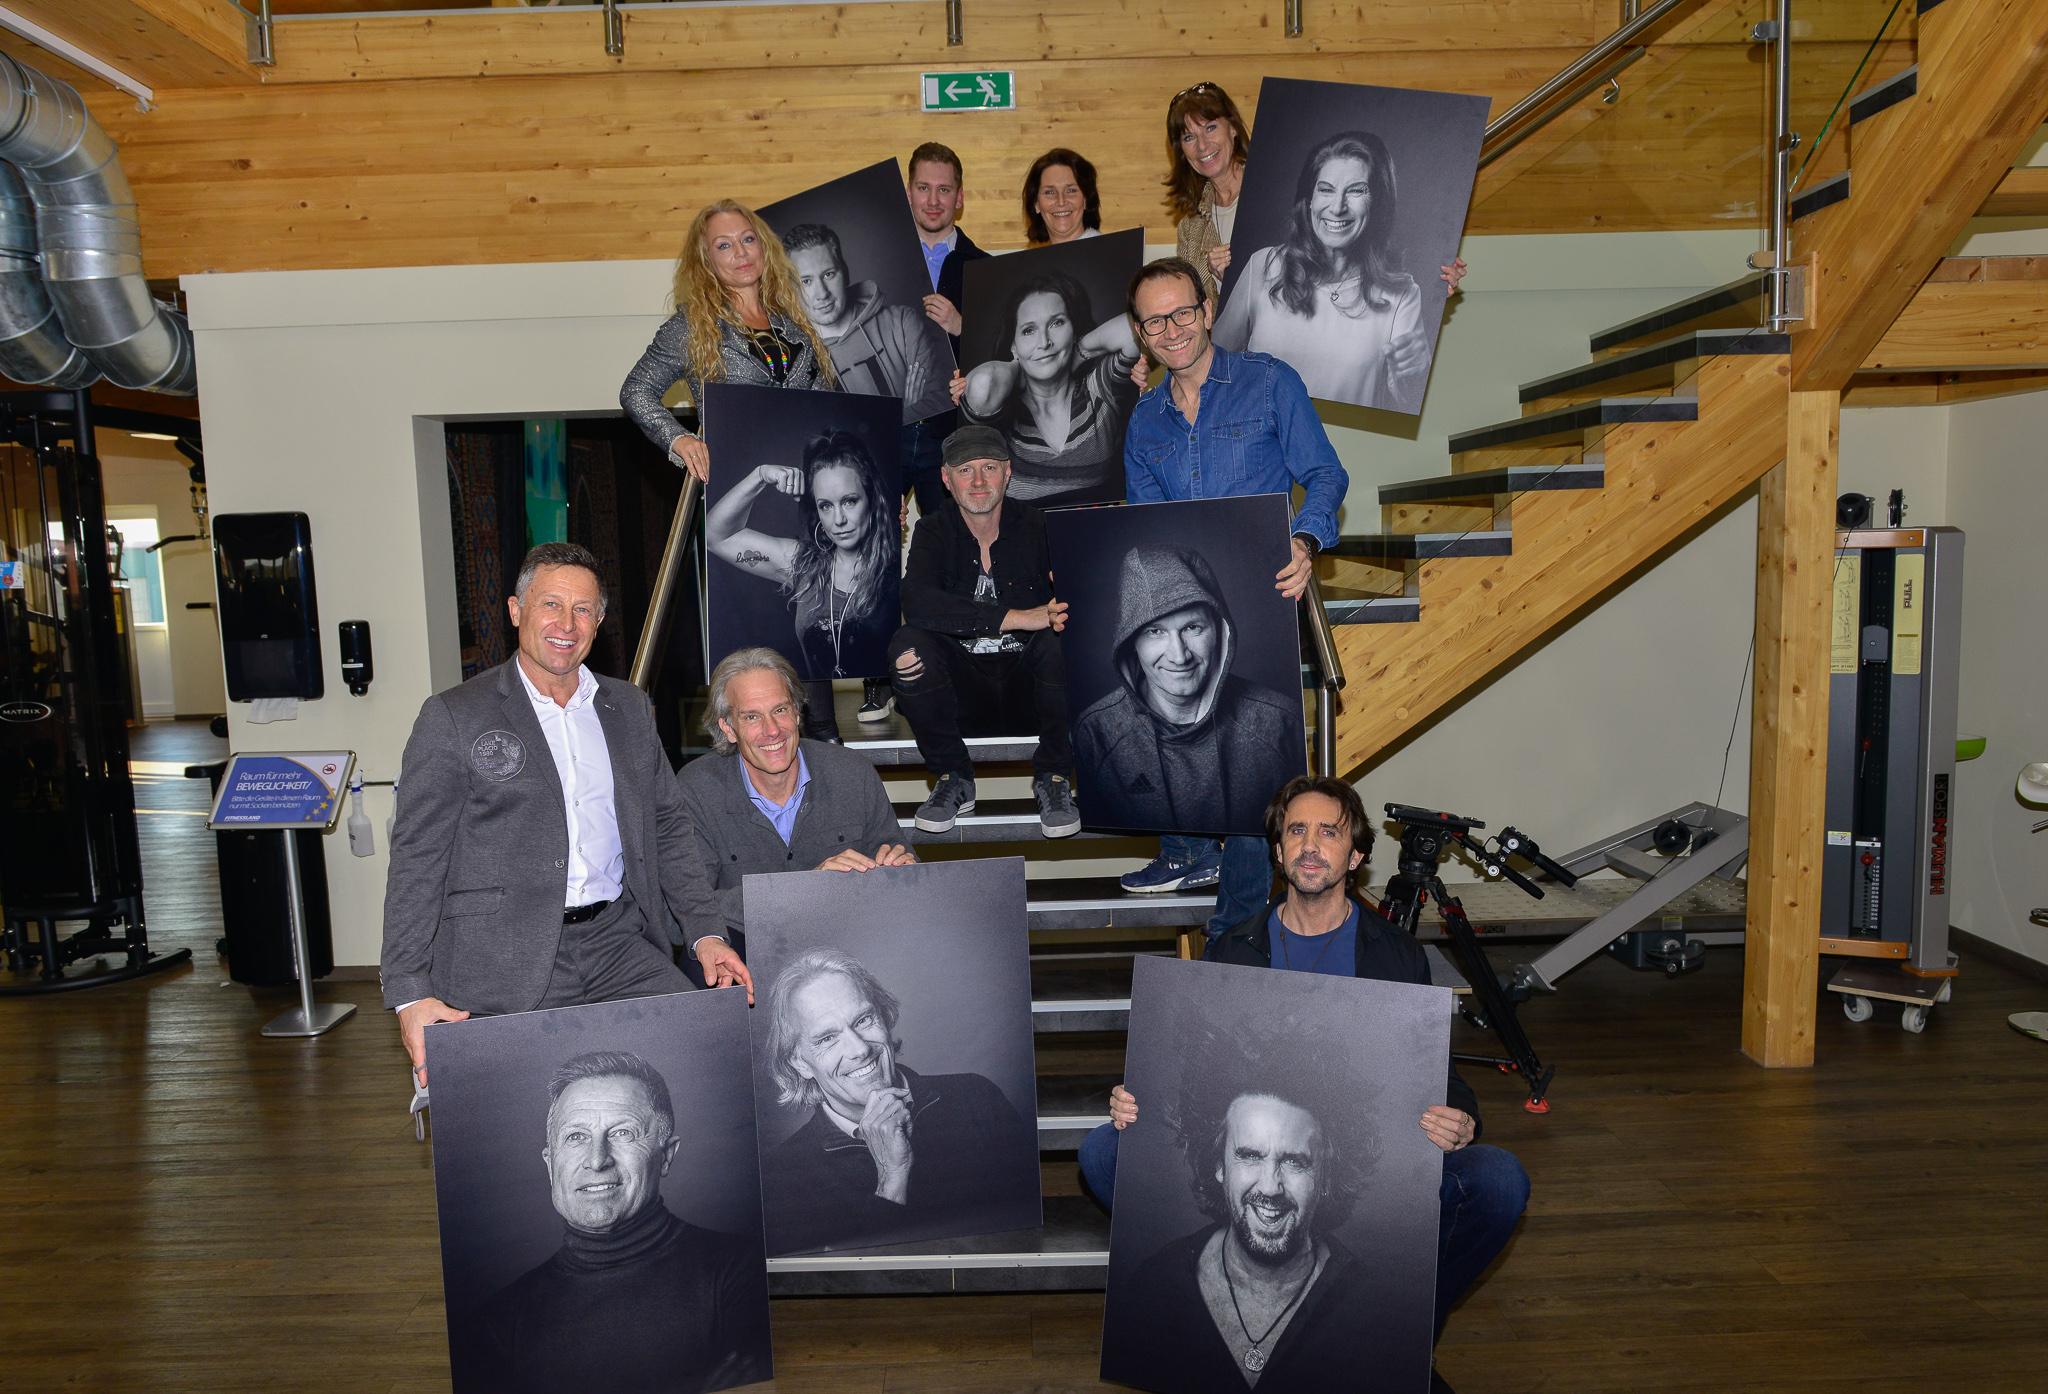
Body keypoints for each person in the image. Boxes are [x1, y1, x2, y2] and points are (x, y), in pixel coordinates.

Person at [1082, 776, 1531, 1394]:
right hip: (1261, 1159)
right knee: (1102, 1152)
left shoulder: (1395, 953)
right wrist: (1137, 1098)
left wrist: (1461, 1118)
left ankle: (1388, 1339)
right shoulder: (1233, 949)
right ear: (1278, 851)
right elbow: (1194, 1073)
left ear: (1356, 855)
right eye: (1296, 831)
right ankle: (1284, 1347)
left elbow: (1443, 1076)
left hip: (1366, 1169)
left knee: (1498, 1179)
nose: (1311, 845)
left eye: (1330, 832)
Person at [379, 544, 751, 1086]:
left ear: (598, 623)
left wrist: (705, 933)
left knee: (699, 1065)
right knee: (523, 1114)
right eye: (551, 604)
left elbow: (668, 828)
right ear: (516, 611)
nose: (567, 624)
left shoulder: (628, 708)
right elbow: (417, 858)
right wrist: (409, 991)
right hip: (501, 956)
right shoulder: (454, 716)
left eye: (583, 610)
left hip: (616, 943)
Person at [1116, 255, 1344, 928]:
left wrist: (1305, 540)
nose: (1172, 330)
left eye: (1183, 313)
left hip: (1268, 598)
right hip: (1189, 610)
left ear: (1208, 311)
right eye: (1155, 321)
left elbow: (1325, 475)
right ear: (1140, 333)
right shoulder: (1144, 421)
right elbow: (1146, 528)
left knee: (1254, 755)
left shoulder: (1269, 383)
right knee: (1158, 707)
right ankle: (1186, 848)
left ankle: (1236, 928)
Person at [618, 198, 847, 743]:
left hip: (804, 495)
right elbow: (636, 391)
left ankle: (823, 744)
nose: (740, 253)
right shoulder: (690, 327)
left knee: (815, 621)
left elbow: (830, 404)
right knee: (759, 634)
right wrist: (678, 439)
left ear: (763, 247)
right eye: (724, 245)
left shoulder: (796, 322)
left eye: (747, 239)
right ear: (707, 259)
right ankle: (755, 746)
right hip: (743, 497)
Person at [461, 1051, 770, 1394]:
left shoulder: (742, 1271)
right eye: (576, 1137)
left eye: (623, 1132)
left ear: (666, 1156)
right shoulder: (498, 1323)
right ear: (550, 1164)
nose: (597, 1160)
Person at [1102, 1064, 1399, 1394]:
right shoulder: (1157, 1285)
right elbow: (1096, 1158)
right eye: (1250, 1156)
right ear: (1219, 1165)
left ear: (1324, 1177)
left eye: (1294, 1161)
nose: (1270, 1187)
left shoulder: (1372, 1308)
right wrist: (1121, 1122)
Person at [758, 948, 1038, 1255]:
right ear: (800, 1062)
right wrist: (892, 1178)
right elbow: (847, 1280)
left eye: (864, 1019)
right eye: (827, 1038)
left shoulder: (977, 1099)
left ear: (885, 1018)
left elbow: (1027, 1238)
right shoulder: (784, 1176)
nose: (859, 1049)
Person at [888, 423, 1078, 838]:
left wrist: (1069, 591)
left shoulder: (1039, 526)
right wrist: (1016, 617)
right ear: (946, 478)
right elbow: (917, 602)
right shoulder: (933, 530)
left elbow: (1074, 603)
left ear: (1007, 472)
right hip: (961, 698)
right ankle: (953, 777)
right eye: (965, 470)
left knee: (1062, 638)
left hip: (1032, 694)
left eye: (989, 467)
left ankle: (1055, 778)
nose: (977, 481)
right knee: (907, 647)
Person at [672, 648, 914, 971]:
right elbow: (690, 904)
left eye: (780, 710)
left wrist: (901, 869)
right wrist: (804, 889)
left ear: (797, 713)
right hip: (748, 948)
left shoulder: (852, 772)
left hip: (848, 941)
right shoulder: (697, 788)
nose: (772, 730)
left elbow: (904, 866)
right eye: (752, 717)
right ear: (728, 728)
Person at [859, 141, 993, 725]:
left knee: (951, 550)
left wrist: (965, 327)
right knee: (871, 549)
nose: (934, 199)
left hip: (950, 433)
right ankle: (878, 675)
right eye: (923, 188)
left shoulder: (985, 268)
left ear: (959, 198)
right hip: (884, 425)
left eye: (944, 189)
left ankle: (949, 667)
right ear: (908, 193)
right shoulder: (875, 263)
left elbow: (1002, 358)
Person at [1211, 130, 1461, 412]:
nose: (1338, 207)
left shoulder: (1402, 294)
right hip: (1264, 435)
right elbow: (1213, 367)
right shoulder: (1263, 265)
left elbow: (1406, 399)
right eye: (1326, 189)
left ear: (1378, 202)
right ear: (1309, 199)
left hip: (1347, 437)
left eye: (1356, 190)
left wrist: (1416, 369)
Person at [1072, 544, 1299, 836]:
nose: (1179, 656)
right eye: (1155, 631)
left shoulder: (1280, 722)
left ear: (1219, 630)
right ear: (1131, 642)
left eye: (1192, 628)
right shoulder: (1096, 734)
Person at [704, 430, 898, 681]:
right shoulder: (804, 564)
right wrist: (760, 476)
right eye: (826, 506)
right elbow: (716, 536)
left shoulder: (897, 569)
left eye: (849, 501)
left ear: (871, 499)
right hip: (818, 702)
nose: (838, 519)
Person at [952, 268, 1140, 506]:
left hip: (1093, 525)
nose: (1044, 342)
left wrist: (1079, 351)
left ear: (1074, 329)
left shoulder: (1098, 389)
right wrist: (1022, 366)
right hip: (1022, 529)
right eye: (1028, 331)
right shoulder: (1004, 411)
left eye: (1057, 323)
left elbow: (1135, 328)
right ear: (1013, 345)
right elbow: (983, 383)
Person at [781, 221, 946, 423]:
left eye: (829, 274)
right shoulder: (795, 363)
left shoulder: (902, 323)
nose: (822, 294)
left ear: (845, 272)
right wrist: (906, 414)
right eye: (806, 281)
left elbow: (941, 404)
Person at [1163, 81, 1254, 301]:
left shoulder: (1272, 191)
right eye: (1189, 137)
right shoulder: (1189, 229)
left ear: (1233, 128)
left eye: (1210, 128)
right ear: (1182, 151)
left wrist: (1237, 280)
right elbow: (1192, 307)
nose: (1202, 146)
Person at [1021, 147, 1104, 245]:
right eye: (1050, 192)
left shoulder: (1109, 251)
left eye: (1071, 191)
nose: (1061, 201)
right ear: (1036, 204)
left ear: (1086, 199)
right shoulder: (1040, 255)